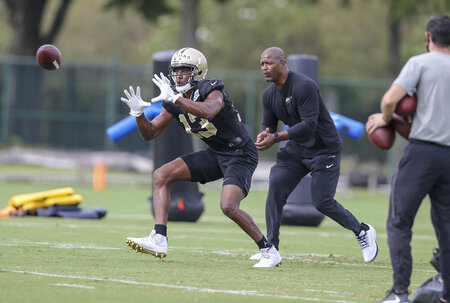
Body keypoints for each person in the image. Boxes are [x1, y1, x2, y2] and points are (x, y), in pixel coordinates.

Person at [121, 47, 280, 267]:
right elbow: (150, 133)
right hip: (215, 153)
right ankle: (159, 237)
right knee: (161, 175)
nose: (178, 75)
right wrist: (138, 114)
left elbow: (209, 110)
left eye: (184, 70)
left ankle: (269, 250)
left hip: (239, 154)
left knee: (228, 207)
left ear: (197, 72)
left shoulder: (211, 88)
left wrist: (176, 99)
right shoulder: (173, 101)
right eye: (176, 71)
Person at [252, 46, 378, 267]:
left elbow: (309, 126)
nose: (264, 68)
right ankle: (271, 248)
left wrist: (277, 137)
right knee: (276, 186)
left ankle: (362, 231)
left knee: (322, 202)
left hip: (324, 149)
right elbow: (268, 124)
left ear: (282, 64)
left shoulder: (304, 86)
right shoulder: (269, 95)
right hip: (298, 149)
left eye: (269, 63)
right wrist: (265, 134)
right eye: (262, 64)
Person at [366, 14, 450, 303]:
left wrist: (387, 119)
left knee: (400, 222)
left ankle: (400, 292)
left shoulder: (420, 62)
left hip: (423, 151)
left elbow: (390, 100)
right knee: (447, 227)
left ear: (428, 38)